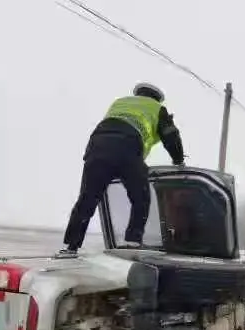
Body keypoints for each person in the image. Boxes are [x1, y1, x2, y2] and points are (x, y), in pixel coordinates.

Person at [60, 83, 186, 255]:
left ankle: (71, 246)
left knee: (87, 198)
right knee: (141, 197)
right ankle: (133, 241)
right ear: (157, 98)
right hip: (127, 146)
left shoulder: (119, 103)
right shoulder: (157, 108)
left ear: (137, 94)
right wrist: (178, 160)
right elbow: (171, 135)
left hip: (97, 145)